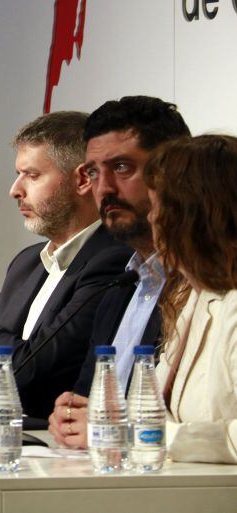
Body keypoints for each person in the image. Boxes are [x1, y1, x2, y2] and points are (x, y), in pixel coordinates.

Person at [0, 111, 132, 420]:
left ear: (81, 179)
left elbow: (28, 369)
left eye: (32, 175)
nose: (15, 190)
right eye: (18, 174)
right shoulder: (26, 263)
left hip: (48, 446)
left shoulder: (113, 262)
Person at [48, 96, 191, 448]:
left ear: (169, 173)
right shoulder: (119, 284)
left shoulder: (201, 283)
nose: (104, 188)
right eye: (94, 172)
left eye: (122, 168)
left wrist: (109, 428)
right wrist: (71, 417)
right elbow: (88, 397)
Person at [144, 134, 237, 464]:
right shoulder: (193, 298)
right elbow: (150, 413)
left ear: (191, 215)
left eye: (157, 206)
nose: (151, 218)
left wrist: (154, 438)